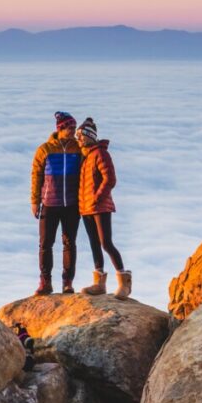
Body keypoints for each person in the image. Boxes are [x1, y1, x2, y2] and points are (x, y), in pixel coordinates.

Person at [75, 117, 131, 299]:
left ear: (91, 136)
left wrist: (97, 197)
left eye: (82, 135)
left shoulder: (101, 154)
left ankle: (124, 282)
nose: (79, 139)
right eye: (78, 136)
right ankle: (99, 283)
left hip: (100, 206)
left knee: (106, 243)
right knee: (94, 244)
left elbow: (110, 179)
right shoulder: (85, 157)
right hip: (86, 208)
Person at [30, 111, 82, 295]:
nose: (72, 131)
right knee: (45, 244)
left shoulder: (78, 148)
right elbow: (36, 176)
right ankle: (45, 282)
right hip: (49, 203)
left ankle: (67, 282)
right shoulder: (45, 149)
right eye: (69, 128)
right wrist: (35, 202)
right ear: (60, 129)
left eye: (74, 128)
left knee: (69, 243)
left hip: (72, 204)